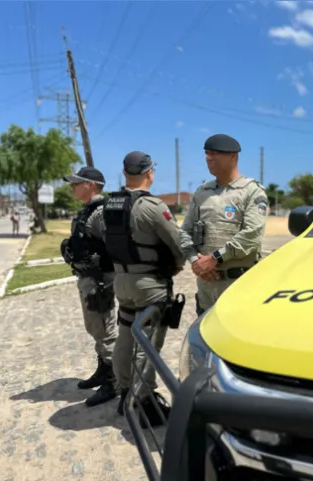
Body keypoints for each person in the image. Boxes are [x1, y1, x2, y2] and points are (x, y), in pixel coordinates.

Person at [99, 151, 186, 427]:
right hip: (150, 285)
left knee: (125, 339)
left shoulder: (108, 206)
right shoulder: (153, 207)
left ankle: (126, 393)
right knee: (147, 345)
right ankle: (144, 402)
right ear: (149, 173)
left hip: (122, 283)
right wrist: (176, 266)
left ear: (125, 173)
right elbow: (178, 244)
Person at [180, 134, 268, 315]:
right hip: (206, 286)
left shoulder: (251, 191)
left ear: (232, 156)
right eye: (206, 153)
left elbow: (251, 235)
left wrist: (214, 259)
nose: (208, 158)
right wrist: (196, 261)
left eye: (214, 153)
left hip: (238, 285)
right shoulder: (202, 192)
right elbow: (185, 232)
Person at [60, 167, 120, 407]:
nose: (72, 187)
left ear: (91, 185)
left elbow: (114, 247)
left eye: (77, 183)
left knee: (105, 329)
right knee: (95, 327)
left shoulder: (101, 213)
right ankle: (103, 370)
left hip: (100, 280)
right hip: (88, 279)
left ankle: (114, 380)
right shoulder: (87, 211)